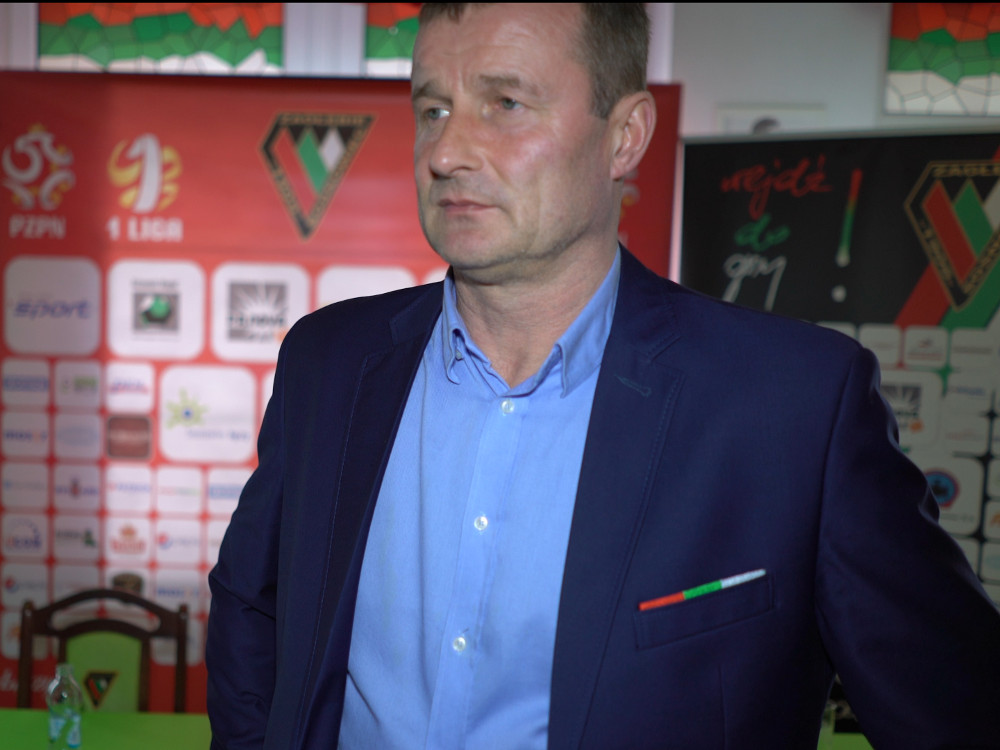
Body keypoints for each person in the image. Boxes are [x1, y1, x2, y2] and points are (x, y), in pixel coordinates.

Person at [206, 4, 1000, 748]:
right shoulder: (330, 361)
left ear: (625, 137)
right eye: (434, 109)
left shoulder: (793, 406)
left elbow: (957, 707)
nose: (445, 153)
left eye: (505, 104)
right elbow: (254, 604)